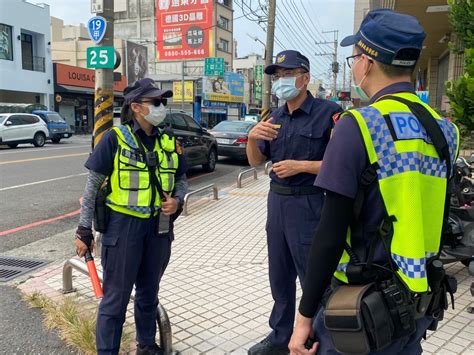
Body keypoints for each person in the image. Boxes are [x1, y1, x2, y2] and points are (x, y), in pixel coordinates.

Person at [289, 9, 459, 355]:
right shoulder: (444, 129)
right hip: (419, 299)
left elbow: (330, 232)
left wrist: (304, 317)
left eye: (355, 57)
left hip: (362, 309)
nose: (354, 65)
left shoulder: (361, 125)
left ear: (366, 62)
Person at [74, 78, 188, 355]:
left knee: (149, 294)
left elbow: (181, 178)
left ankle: (147, 346)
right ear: (136, 107)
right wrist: (83, 230)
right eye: (155, 102)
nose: (161, 107)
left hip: (159, 229)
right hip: (123, 229)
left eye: (163, 102)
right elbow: (92, 188)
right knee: (116, 299)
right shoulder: (115, 138)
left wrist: (178, 201)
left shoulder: (170, 141)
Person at [246, 50, 343, 355]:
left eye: (288, 74)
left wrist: (301, 166)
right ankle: (280, 337)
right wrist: (251, 137)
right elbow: (255, 161)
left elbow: (342, 164)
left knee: (314, 275)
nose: (281, 81)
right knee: (280, 275)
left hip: (311, 204)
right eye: (277, 76)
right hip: (277, 204)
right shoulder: (273, 118)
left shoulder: (330, 113)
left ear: (305, 78)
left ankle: (317, 338)